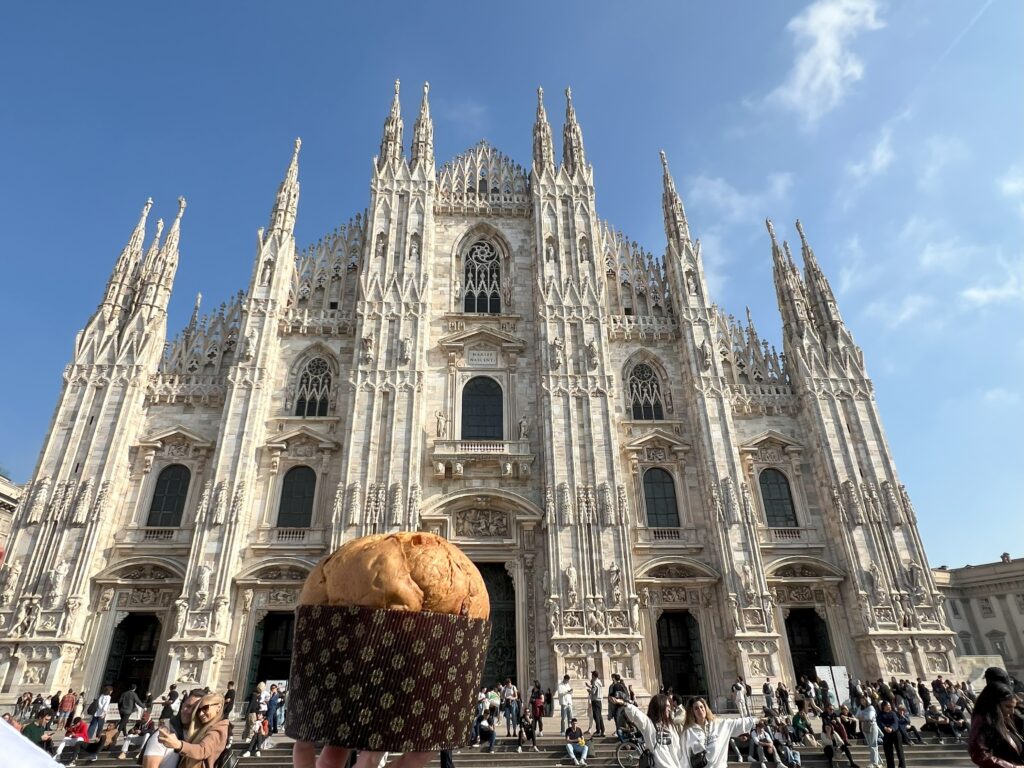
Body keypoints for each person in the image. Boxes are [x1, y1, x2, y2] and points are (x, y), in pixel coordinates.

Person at [157, 692, 229, 768]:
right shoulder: (206, 726)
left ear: (218, 707)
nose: (201, 714)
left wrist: (179, 745)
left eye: (205, 708)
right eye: (198, 710)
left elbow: (203, 750)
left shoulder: (219, 728)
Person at [681, 696, 757, 768]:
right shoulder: (687, 732)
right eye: (696, 708)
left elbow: (740, 722)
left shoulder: (719, 724)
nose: (700, 710)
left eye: (701, 707)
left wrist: (758, 720)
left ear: (705, 708)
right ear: (692, 712)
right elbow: (685, 758)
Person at [140, 687, 203, 768]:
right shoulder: (164, 734)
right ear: (182, 705)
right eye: (187, 706)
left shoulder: (205, 737)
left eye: (195, 708)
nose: (188, 711)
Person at [968, 681, 1024, 767]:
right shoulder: (982, 721)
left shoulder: (1004, 719)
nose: (1012, 711)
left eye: (1014, 707)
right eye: (1008, 706)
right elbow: (980, 754)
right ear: (994, 704)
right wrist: (1012, 767)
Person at [877, 701, 905, 768]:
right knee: (888, 753)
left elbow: (896, 723)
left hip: (895, 733)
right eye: (887, 705)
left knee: (899, 751)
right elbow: (879, 723)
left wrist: (891, 728)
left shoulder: (893, 713)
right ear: (883, 706)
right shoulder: (880, 714)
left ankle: (902, 765)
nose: (889, 706)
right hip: (886, 735)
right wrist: (885, 728)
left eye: (889, 705)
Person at [855, 696, 880, 768]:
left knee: (873, 744)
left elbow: (869, 717)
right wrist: (862, 717)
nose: (862, 702)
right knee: (870, 744)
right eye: (861, 700)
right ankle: (878, 762)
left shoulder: (871, 707)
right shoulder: (860, 707)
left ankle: (873, 763)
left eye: (863, 700)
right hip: (864, 726)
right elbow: (857, 716)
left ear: (866, 700)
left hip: (872, 726)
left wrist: (862, 717)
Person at [586, 671, 605, 736]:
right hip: (599, 700)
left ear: (594, 676)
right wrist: (590, 686)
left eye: (592, 675)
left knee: (596, 716)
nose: (591, 676)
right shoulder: (599, 682)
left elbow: (593, 692)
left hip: (595, 700)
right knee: (599, 716)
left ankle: (598, 731)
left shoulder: (595, 682)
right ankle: (602, 730)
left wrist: (589, 690)